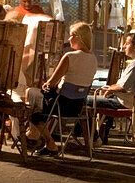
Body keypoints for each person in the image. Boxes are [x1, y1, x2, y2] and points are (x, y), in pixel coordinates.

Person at [26, 22, 99, 155]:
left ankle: (45, 140)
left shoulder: (70, 57)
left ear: (79, 38)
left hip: (60, 105)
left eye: (71, 36)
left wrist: (46, 84)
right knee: (39, 104)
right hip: (76, 106)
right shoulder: (93, 59)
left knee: (31, 97)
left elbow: (50, 83)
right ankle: (36, 136)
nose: (69, 39)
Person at [94, 31, 135, 144]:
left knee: (87, 101)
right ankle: (102, 134)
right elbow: (122, 85)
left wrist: (108, 89)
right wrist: (110, 89)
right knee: (102, 98)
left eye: (127, 43)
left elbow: (123, 87)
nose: (124, 46)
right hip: (129, 100)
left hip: (124, 102)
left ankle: (90, 135)